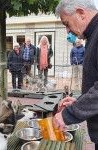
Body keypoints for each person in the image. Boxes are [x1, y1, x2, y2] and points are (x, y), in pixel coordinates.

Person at [54, 0, 98, 149]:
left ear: (80, 13)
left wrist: (69, 115)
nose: (67, 30)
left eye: (66, 24)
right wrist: (80, 101)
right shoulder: (93, 35)